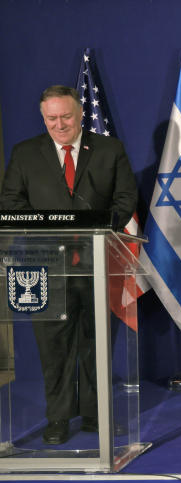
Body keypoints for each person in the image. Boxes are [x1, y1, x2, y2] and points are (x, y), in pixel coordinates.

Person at [1, 85, 137, 445]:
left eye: (65, 117)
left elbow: (125, 199)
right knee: (53, 346)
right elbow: (11, 202)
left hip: (97, 260)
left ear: (80, 115)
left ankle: (95, 416)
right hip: (44, 264)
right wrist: (53, 225)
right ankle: (58, 419)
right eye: (51, 118)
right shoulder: (25, 153)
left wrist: (98, 225)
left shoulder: (110, 150)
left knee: (95, 343)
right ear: (43, 117)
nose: (59, 124)